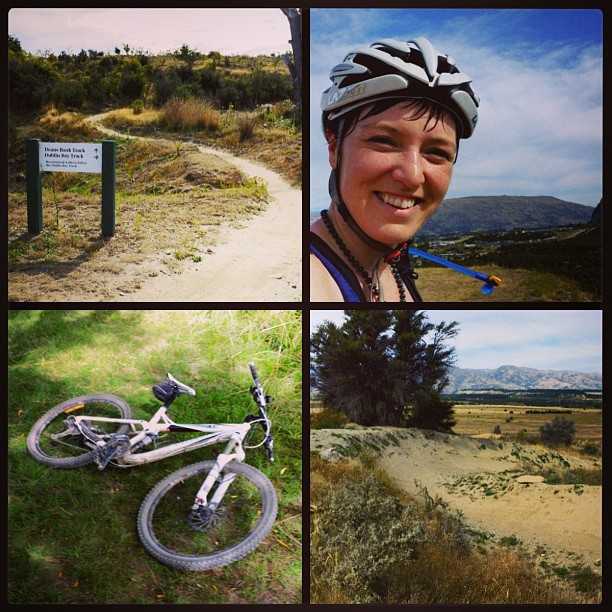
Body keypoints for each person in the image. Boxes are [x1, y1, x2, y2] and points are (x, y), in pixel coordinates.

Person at [310, 37, 480, 302]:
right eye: (384, 141)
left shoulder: (393, 263)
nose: (412, 176)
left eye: (436, 153)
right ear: (334, 148)